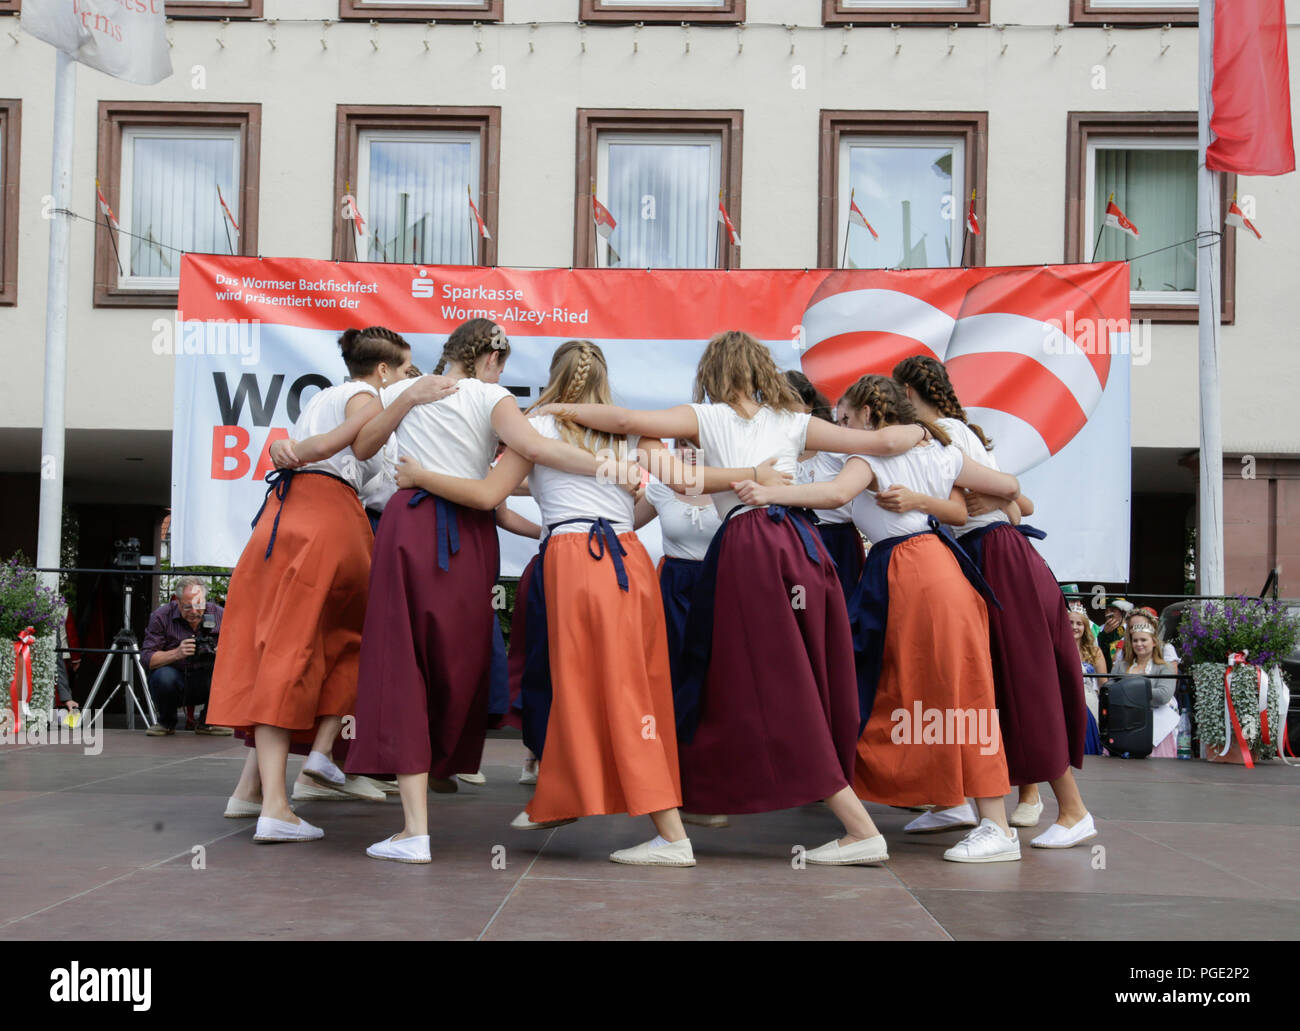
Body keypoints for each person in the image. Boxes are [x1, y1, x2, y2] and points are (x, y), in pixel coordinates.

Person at [535, 330, 935, 866]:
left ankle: (857, 828)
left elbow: (629, 424)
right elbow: (883, 443)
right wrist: (926, 431)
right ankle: (689, 809)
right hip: (803, 546)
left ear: (714, 373)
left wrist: (556, 402)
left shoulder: (709, 417)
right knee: (776, 681)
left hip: (752, 546)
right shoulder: (793, 422)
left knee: (776, 686)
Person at [398, 340, 782, 865]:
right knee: (626, 689)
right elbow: (681, 483)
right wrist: (753, 474)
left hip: (577, 558)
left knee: (601, 691)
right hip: (629, 558)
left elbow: (489, 497)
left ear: (556, 379)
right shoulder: (632, 430)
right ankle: (564, 798)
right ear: (604, 380)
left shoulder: (536, 430)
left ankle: (671, 835)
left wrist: (421, 477)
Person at [343, 321, 645, 865]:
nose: (502, 372)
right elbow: (530, 447)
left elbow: (366, 445)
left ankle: (415, 825)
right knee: (453, 661)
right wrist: (615, 467)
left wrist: (407, 397)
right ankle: (431, 784)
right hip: (459, 529)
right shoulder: (488, 394)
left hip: (420, 524)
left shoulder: (446, 393)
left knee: (405, 661)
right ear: (490, 357)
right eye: (501, 361)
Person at [734, 374, 1025, 863]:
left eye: (846, 418)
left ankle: (996, 825)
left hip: (913, 572)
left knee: (949, 690)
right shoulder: (942, 451)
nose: (843, 427)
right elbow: (1010, 487)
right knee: (948, 689)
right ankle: (965, 807)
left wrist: (769, 495)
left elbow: (831, 496)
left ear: (870, 413)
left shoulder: (869, 456)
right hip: (937, 568)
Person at [207, 326, 456, 843]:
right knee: (343, 646)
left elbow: (366, 464)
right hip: (329, 516)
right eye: (407, 369)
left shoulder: (323, 394)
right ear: (385, 371)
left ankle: (258, 790)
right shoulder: (367, 397)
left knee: (293, 647)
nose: (412, 378)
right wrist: (300, 448)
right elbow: (345, 443)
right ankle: (289, 790)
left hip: (285, 514)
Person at [891, 354, 1095, 850]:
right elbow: (1017, 501)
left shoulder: (943, 431)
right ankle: (965, 800)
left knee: (1021, 679)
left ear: (911, 393)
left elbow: (1009, 495)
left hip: (995, 556)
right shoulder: (955, 430)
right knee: (992, 682)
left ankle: (1073, 809)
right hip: (984, 554)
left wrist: (991, 499)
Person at [786, 371, 864, 602]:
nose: (785, 415)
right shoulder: (773, 453)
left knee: (845, 610)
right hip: (794, 543)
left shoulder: (836, 447)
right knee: (802, 609)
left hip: (839, 541)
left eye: (790, 406)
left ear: (808, 406)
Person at [142, 577, 228, 736]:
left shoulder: (220, 615)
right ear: (178, 602)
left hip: (206, 678)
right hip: (175, 679)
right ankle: (166, 723)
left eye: (199, 605)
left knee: (229, 669)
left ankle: (209, 722)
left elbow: (240, 650)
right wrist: (177, 653)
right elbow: (147, 659)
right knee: (163, 676)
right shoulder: (161, 616)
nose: (194, 611)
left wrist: (222, 652)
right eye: (188, 607)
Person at [1112, 617, 1181, 757]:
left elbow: (1163, 695)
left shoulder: (1164, 667)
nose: (1139, 644)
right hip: (1125, 723)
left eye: (1143, 640)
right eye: (1135, 640)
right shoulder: (1121, 666)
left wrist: (1127, 694)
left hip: (1155, 725)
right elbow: (1111, 690)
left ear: (1154, 642)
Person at [1068, 602, 1105, 755]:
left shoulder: (1094, 651)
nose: (1075, 627)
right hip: (1065, 700)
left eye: (1079, 623)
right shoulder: (1055, 648)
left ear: (1085, 627)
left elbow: (1104, 684)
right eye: (1070, 623)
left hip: (1088, 700)